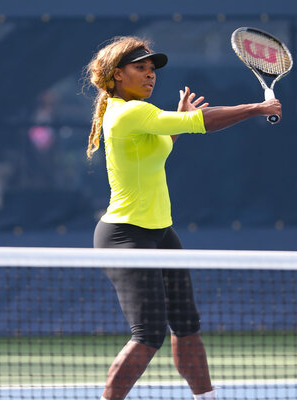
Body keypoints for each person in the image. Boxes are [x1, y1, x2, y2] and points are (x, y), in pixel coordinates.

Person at [84, 36, 281, 400]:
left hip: (161, 234)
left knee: (188, 328)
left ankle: (206, 397)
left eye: (152, 68)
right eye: (140, 67)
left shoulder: (139, 113)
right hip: (126, 236)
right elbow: (201, 123)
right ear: (116, 75)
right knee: (148, 334)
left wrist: (176, 122)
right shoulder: (128, 111)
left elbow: (164, 145)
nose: (150, 74)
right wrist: (256, 108)